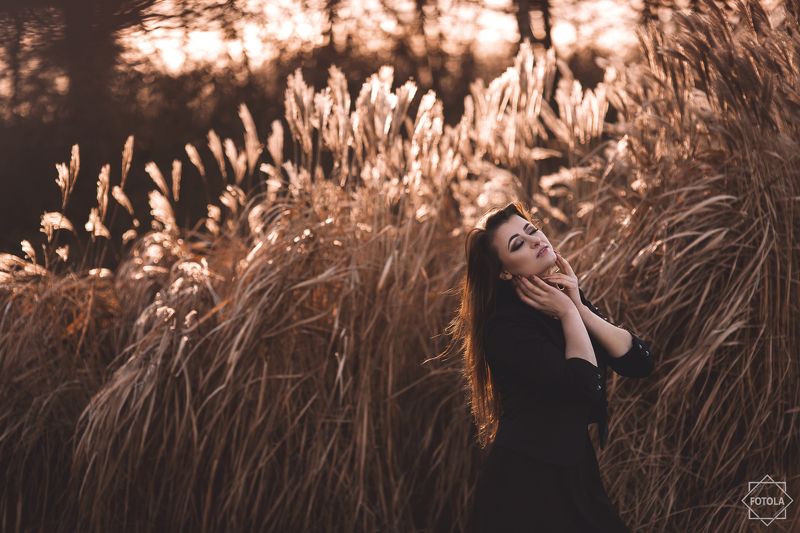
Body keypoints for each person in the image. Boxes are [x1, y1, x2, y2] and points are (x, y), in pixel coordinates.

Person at [457, 201, 655, 532]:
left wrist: (577, 306)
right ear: (505, 271)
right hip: (526, 483)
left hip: (572, 468)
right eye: (518, 244)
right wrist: (567, 313)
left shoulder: (560, 298)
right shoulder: (505, 327)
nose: (536, 240)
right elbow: (585, 387)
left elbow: (639, 362)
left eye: (532, 230)